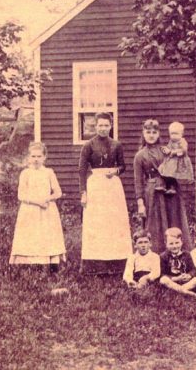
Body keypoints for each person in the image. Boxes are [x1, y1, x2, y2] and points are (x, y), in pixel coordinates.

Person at [78, 112, 131, 276]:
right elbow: (81, 170)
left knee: (114, 222)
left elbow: (123, 166)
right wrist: (83, 192)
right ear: (95, 126)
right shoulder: (88, 145)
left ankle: (117, 264)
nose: (103, 128)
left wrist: (115, 171)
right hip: (96, 185)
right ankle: (95, 265)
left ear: (111, 126)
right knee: (97, 224)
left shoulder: (117, 144)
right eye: (100, 125)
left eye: (106, 125)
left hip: (112, 186)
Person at [133, 119, 191, 253]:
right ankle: (156, 257)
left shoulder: (166, 150)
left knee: (173, 220)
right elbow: (138, 181)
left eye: (154, 132)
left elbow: (180, 160)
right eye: (148, 132)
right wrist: (140, 203)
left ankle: (178, 256)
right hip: (152, 192)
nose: (151, 135)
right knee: (155, 224)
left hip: (170, 191)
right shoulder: (139, 155)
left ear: (159, 133)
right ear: (143, 133)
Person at [10, 142, 66, 268]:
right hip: (30, 209)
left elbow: (58, 192)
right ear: (28, 157)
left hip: (47, 209)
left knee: (46, 235)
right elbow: (21, 195)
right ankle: (28, 265)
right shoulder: (25, 173)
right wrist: (37, 202)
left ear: (44, 157)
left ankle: (50, 264)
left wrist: (47, 199)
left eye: (39, 156)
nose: (36, 160)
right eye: (33, 156)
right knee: (30, 235)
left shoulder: (49, 172)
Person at [158, 228, 196, 296]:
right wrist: (176, 278)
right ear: (166, 243)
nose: (174, 246)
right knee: (163, 280)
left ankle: (179, 291)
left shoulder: (187, 254)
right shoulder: (163, 256)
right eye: (171, 244)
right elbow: (162, 274)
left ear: (181, 242)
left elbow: (193, 269)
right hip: (172, 281)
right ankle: (188, 293)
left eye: (177, 243)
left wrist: (189, 275)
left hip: (185, 282)